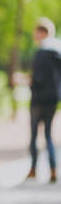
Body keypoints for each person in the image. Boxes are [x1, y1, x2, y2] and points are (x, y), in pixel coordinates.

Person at [26, 17, 61, 183]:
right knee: (48, 134)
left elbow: (38, 78)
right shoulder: (58, 51)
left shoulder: (42, 52)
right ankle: (53, 168)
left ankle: (33, 169)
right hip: (53, 99)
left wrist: (29, 81)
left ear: (42, 32)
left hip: (39, 99)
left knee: (34, 134)